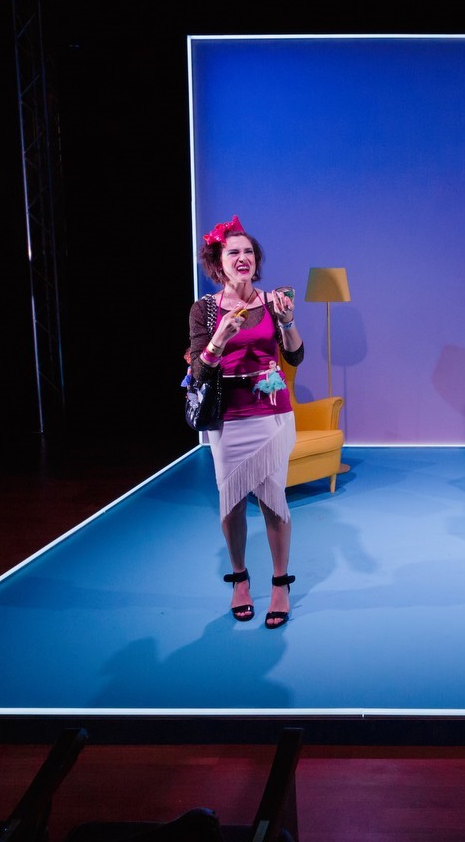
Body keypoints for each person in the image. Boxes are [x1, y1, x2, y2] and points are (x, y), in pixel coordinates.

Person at [187, 215, 304, 628]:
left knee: (273, 501)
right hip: (228, 417)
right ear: (218, 263)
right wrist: (221, 336)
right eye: (233, 252)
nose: (243, 257)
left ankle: (279, 584)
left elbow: (295, 355)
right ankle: (239, 578)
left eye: (249, 252)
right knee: (231, 502)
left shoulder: (272, 301)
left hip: (271, 412)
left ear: (256, 260)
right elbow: (199, 372)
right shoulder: (204, 310)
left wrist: (287, 321)